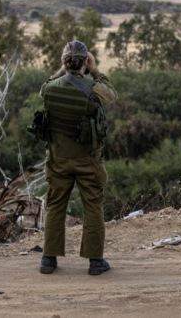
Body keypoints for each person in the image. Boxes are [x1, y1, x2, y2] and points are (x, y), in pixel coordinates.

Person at [38, 40, 117, 276]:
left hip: (59, 159)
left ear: (63, 62)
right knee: (93, 207)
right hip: (88, 160)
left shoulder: (50, 89)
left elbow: (46, 85)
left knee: (55, 206)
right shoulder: (94, 88)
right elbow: (112, 94)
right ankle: (95, 262)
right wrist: (94, 70)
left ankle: (48, 260)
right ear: (85, 60)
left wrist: (64, 69)